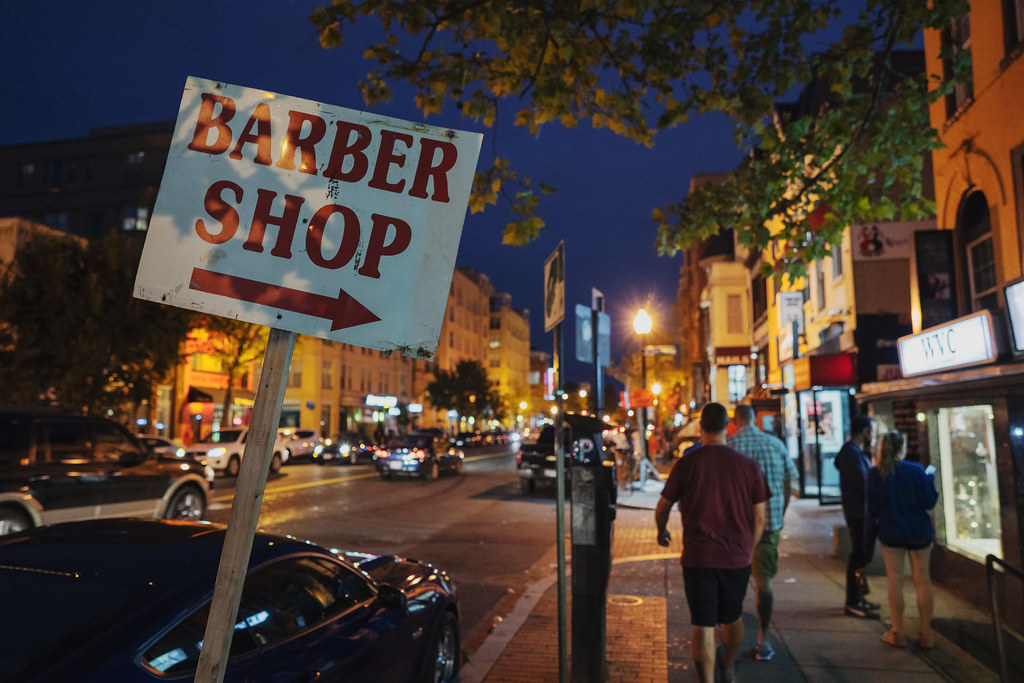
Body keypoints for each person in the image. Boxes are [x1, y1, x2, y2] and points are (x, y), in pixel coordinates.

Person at [655, 403, 768, 683]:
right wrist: (747, 550)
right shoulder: (748, 466)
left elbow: (663, 506)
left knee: (703, 623)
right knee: (732, 617)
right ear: (726, 428)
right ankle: (727, 667)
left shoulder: (687, 464)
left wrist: (662, 530)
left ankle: (707, 679)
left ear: (701, 429)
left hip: (698, 557)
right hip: (736, 557)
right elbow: (760, 519)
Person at [727, 404, 798, 661]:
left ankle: (729, 634)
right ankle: (763, 638)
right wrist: (780, 511)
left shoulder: (729, 445)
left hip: (737, 526)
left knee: (731, 580)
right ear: (755, 419)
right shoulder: (776, 444)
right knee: (763, 581)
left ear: (736, 421)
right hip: (768, 524)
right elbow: (790, 481)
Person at [865, 429, 939, 649]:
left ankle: (897, 632)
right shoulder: (916, 470)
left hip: (891, 532)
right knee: (922, 581)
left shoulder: (875, 473)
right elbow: (928, 502)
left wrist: (867, 542)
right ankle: (925, 634)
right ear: (901, 448)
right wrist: (930, 478)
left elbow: (872, 509)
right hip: (919, 532)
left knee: (895, 579)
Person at [834, 415, 881, 618]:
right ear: (863, 431)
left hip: (859, 511)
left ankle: (859, 597)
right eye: (871, 431)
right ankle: (853, 600)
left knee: (862, 555)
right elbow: (863, 484)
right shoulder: (852, 454)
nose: (872, 435)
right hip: (858, 513)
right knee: (859, 555)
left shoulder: (854, 452)